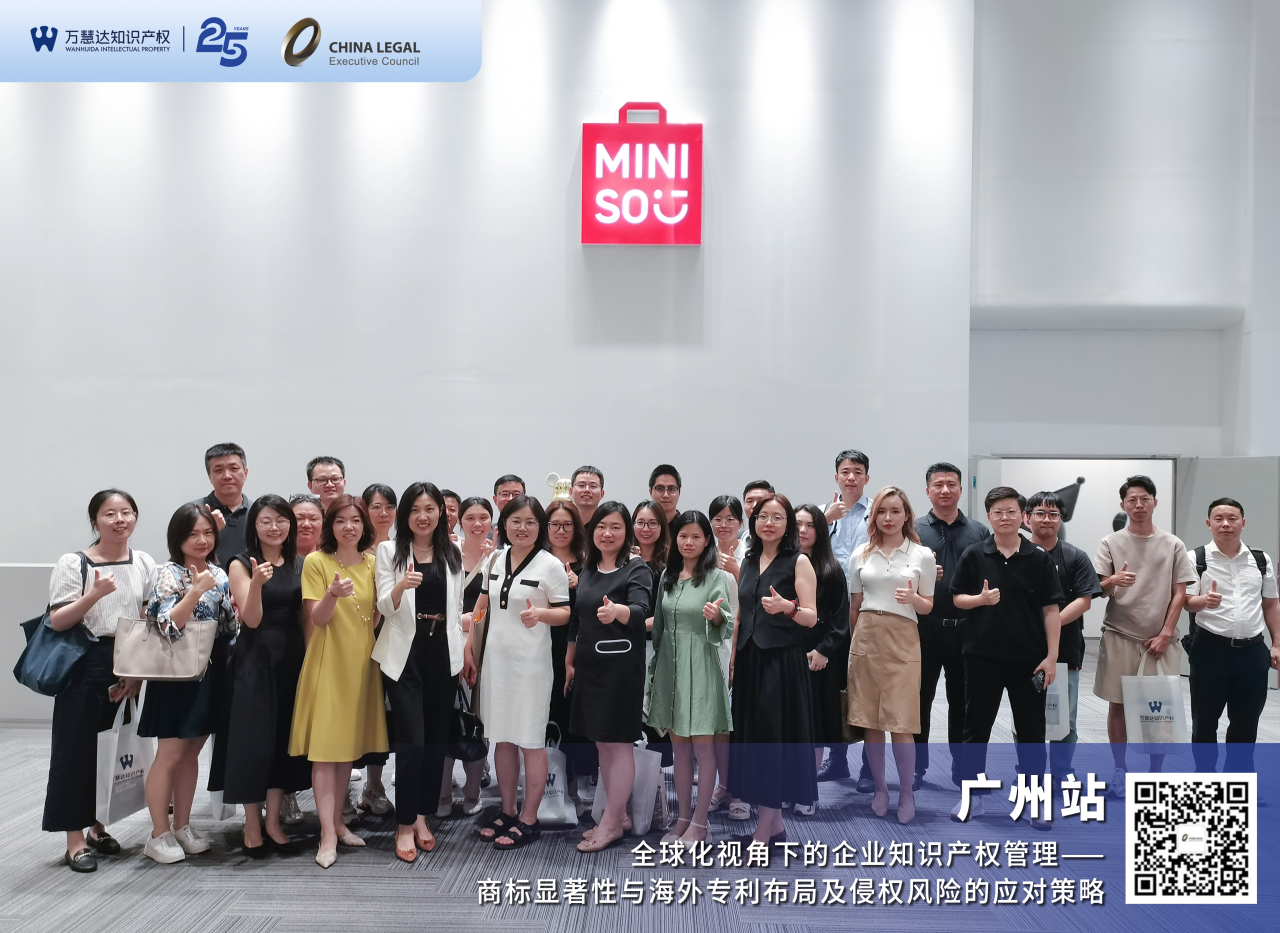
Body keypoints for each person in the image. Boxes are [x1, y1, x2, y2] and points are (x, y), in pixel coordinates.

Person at [43, 490, 155, 873]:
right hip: (84, 660)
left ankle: (98, 827)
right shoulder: (73, 563)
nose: (120, 520)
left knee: (114, 748)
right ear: (95, 521)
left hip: (126, 660)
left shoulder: (143, 561)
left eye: (127, 512)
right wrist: (94, 595)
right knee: (75, 750)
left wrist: (136, 670)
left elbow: (146, 618)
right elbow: (58, 620)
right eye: (110, 514)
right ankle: (74, 841)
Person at [462, 496, 570, 851]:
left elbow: (564, 613)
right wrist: (470, 645)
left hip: (531, 667)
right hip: (496, 663)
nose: (522, 528)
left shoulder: (550, 565)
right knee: (502, 738)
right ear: (504, 524)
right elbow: (482, 604)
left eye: (530, 522)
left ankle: (529, 818)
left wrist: (540, 614)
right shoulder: (495, 558)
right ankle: (508, 811)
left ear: (540, 527)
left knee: (530, 741)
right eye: (515, 521)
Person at [950, 487, 1062, 828]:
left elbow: (1051, 610)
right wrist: (980, 600)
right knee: (975, 728)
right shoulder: (974, 554)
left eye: (1011, 511)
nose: (1005, 517)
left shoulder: (1039, 557)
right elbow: (957, 599)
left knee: (1031, 731)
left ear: (1023, 517)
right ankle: (973, 797)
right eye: (998, 512)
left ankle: (1034, 800)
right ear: (989, 516)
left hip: (1029, 659)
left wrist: (1052, 657)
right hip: (981, 656)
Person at [289, 495, 389, 868]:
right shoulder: (317, 561)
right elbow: (317, 618)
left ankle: (339, 824)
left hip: (361, 663)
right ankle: (327, 834)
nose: (349, 527)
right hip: (328, 660)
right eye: (341, 520)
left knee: (347, 747)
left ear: (365, 525)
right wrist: (332, 593)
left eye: (356, 520)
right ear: (330, 526)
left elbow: (374, 617)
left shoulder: (374, 563)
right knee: (325, 750)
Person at [140, 503, 238, 864]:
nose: (202, 540)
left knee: (192, 752)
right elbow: (166, 626)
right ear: (178, 537)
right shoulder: (167, 573)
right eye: (193, 533)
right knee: (169, 754)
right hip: (175, 674)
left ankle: (182, 826)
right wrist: (195, 592)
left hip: (209, 672)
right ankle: (158, 834)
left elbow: (229, 626)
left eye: (208, 533)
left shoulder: (219, 572)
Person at [374, 483, 464, 862]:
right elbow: (383, 605)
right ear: (404, 515)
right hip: (404, 653)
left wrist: (464, 651)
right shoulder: (389, 551)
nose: (422, 516)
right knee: (412, 742)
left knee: (435, 742)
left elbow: (458, 607)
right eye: (415, 510)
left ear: (440, 513)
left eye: (430, 509)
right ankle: (405, 822)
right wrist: (400, 587)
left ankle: (423, 817)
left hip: (442, 650)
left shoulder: (452, 552)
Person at [1092, 475, 1195, 792]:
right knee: (1118, 704)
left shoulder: (1173, 544)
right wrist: (1113, 581)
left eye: (1144, 498)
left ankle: (1155, 773)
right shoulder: (1110, 543)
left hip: (1159, 639)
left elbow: (1180, 593)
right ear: (1123, 505)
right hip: (1119, 634)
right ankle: (1119, 769)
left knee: (1158, 709)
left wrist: (1166, 633)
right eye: (1132, 500)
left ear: (1154, 502)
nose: (1138, 505)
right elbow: (1098, 588)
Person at [221, 495, 310, 857]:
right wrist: (256, 582)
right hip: (255, 659)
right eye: (266, 521)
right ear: (253, 526)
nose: (275, 527)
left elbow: (306, 617)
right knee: (254, 743)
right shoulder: (241, 564)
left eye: (281, 520)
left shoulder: (301, 563)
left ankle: (273, 822)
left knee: (282, 743)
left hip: (291, 658)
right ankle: (252, 824)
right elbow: (252, 619)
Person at [729, 494, 820, 845]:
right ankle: (776, 826)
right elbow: (743, 612)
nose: (769, 523)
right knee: (755, 741)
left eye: (777, 517)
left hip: (781, 664)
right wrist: (734, 656)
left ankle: (763, 832)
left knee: (772, 743)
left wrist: (787, 607)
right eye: (762, 516)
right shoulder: (749, 560)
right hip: (750, 660)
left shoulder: (798, 561)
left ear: (788, 524)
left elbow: (811, 617)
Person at [568, 502, 655, 852]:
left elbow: (642, 611)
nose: (607, 533)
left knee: (618, 746)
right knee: (602, 744)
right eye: (601, 526)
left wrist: (617, 611)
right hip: (590, 668)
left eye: (616, 527)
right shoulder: (588, 570)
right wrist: (570, 661)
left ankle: (612, 822)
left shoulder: (637, 568)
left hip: (620, 670)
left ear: (627, 532)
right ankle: (618, 816)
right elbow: (577, 619)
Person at [845, 488, 936, 824]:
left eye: (895, 511)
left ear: (906, 515)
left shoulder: (922, 555)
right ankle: (881, 789)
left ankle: (907, 793)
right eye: (881, 511)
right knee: (871, 720)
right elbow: (855, 605)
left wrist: (914, 599)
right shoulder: (860, 553)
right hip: (867, 635)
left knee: (901, 721)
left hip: (903, 637)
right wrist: (855, 643)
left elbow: (928, 606)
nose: (888, 518)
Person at [647, 511, 733, 844]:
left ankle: (700, 822)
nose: (688, 542)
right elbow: (659, 625)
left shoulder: (716, 577)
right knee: (679, 748)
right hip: (670, 667)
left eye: (696, 536)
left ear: (707, 540)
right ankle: (683, 818)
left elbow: (726, 623)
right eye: (683, 536)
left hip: (701, 665)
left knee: (703, 748)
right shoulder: (668, 576)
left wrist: (715, 617)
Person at [905, 461, 991, 792]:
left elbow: (987, 575)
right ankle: (916, 766)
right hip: (923, 628)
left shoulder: (979, 532)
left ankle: (962, 764)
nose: (945, 490)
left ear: (960, 489)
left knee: (963, 701)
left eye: (951, 484)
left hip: (966, 629)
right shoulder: (913, 530)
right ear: (927, 490)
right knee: (918, 699)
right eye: (938, 484)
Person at [1183, 498, 1280, 774]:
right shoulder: (1196, 558)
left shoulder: (1260, 560)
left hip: (1252, 652)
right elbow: (1186, 601)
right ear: (1209, 524)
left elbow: (1271, 603)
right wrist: (1204, 601)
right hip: (1209, 649)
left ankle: (1238, 781)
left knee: (1246, 722)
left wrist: (1276, 642)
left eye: (1232, 518)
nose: (1226, 524)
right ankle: (1205, 778)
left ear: (1243, 523)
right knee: (1205, 721)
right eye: (1219, 519)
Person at [1023, 491, 1102, 783]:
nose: (1047, 519)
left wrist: (1050, 626)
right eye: (1040, 513)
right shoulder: (1014, 553)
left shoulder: (1074, 556)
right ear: (1027, 518)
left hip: (1065, 650)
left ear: (1061, 519)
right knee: (1025, 715)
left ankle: (1061, 772)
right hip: (1022, 648)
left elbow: (1084, 600)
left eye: (1053, 514)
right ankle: (1028, 772)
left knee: (1063, 717)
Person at [439, 496, 496, 816]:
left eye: (483, 517)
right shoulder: (447, 554)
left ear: (492, 522)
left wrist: (470, 623)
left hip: (485, 647)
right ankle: (442, 796)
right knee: (446, 719)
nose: (477, 524)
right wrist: (460, 622)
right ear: (459, 521)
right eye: (470, 518)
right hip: (446, 644)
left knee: (478, 721)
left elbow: (498, 608)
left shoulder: (499, 558)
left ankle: (473, 793)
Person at [794, 504, 851, 816]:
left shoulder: (831, 568)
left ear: (821, 529)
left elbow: (840, 619)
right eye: (797, 524)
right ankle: (789, 787)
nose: (802, 531)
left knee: (813, 728)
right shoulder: (783, 562)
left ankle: (808, 791)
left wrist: (824, 650)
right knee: (789, 727)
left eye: (810, 525)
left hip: (818, 658)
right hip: (786, 654)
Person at [355, 483, 399, 817]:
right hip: (362, 640)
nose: (383, 513)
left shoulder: (402, 549)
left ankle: (374, 785)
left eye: (389, 506)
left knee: (387, 716)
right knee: (360, 712)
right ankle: (345, 791)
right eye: (375, 507)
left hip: (396, 639)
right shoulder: (354, 551)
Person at [545, 498, 592, 805]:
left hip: (576, 650)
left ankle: (573, 787)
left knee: (572, 716)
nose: (561, 530)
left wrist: (580, 585)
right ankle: (545, 786)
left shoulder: (589, 564)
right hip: (540, 649)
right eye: (555, 524)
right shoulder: (535, 560)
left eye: (567, 524)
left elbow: (594, 608)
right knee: (546, 716)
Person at [280, 493, 324, 826]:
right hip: (285, 654)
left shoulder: (330, 559)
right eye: (299, 518)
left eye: (313, 518)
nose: (306, 524)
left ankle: (332, 798)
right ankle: (286, 792)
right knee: (286, 725)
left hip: (324, 654)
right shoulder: (278, 562)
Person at [200, 442, 250, 567]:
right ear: (209, 476)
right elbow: (179, 558)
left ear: (245, 473)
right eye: (218, 470)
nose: (227, 476)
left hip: (250, 579)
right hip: (204, 578)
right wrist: (207, 529)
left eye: (234, 468)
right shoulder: (193, 512)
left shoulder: (258, 513)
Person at [824, 449, 871, 570]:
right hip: (832, 580)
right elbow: (806, 544)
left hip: (866, 580)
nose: (851, 478)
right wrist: (826, 519)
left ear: (866, 479)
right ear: (836, 478)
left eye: (857, 472)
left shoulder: (877, 511)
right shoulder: (822, 512)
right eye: (845, 472)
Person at [739, 480, 775, 556]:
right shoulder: (737, 539)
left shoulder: (782, 539)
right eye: (750, 501)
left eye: (760, 500)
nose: (754, 505)